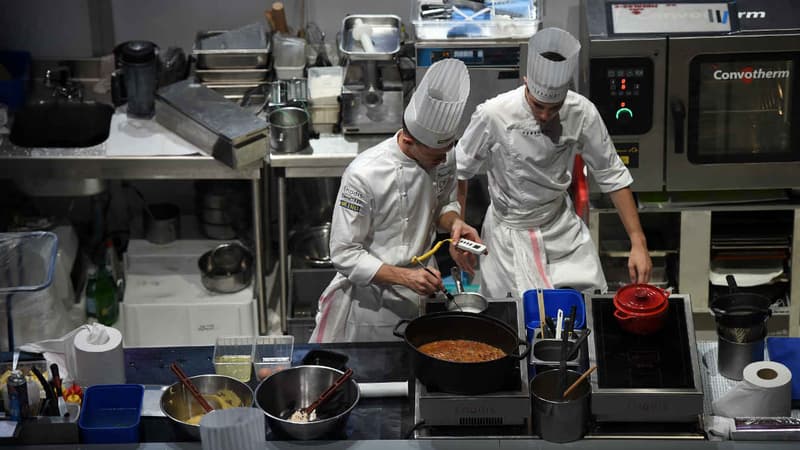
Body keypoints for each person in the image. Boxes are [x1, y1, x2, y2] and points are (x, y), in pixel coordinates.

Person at [454, 27, 652, 299]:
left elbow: (612, 174)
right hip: (507, 235)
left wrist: (638, 242)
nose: (546, 115)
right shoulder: (493, 114)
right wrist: (459, 227)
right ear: (525, 81)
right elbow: (459, 171)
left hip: (560, 229)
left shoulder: (581, 111)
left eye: (554, 107)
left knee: (582, 307)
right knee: (513, 318)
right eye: (537, 106)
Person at [310, 58, 482, 343]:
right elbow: (344, 254)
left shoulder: (445, 154)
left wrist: (455, 225)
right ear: (409, 141)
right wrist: (404, 277)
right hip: (375, 301)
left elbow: (442, 204)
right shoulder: (363, 174)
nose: (444, 159)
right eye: (436, 154)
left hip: (427, 285)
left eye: (447, 150)